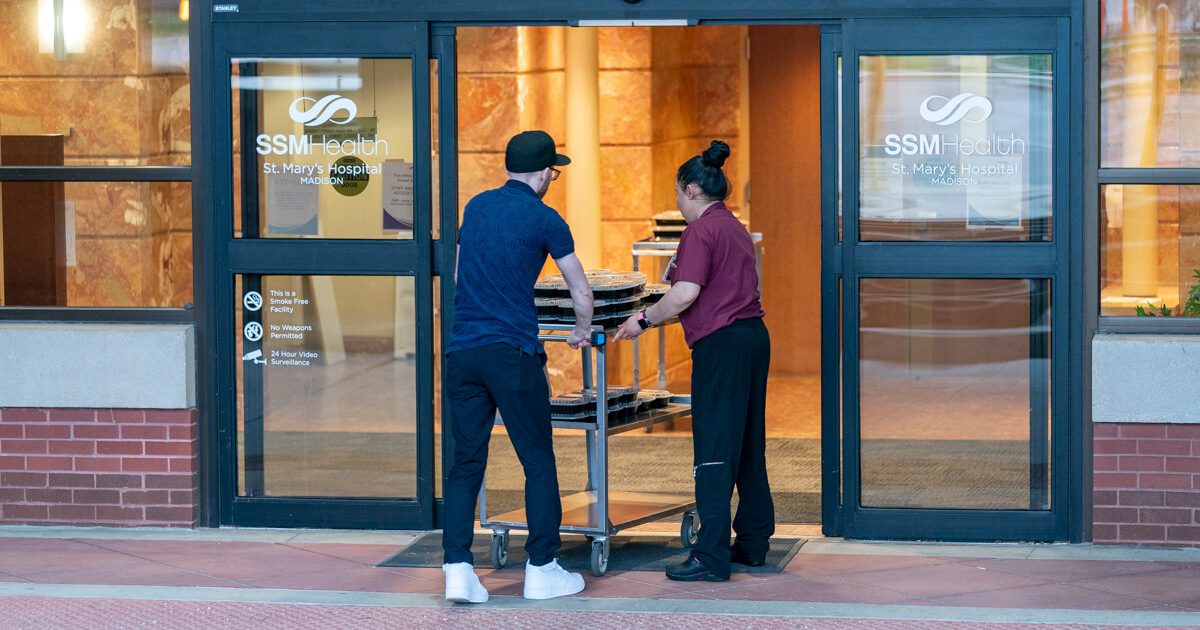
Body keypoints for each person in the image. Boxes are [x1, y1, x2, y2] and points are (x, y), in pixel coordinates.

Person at [442, 130, 594, 603]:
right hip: (513, 353)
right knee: (537, 459)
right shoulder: (547, 218)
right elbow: (581, 290)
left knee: (465, 462)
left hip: (463, 352)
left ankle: (458, 570)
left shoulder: (476, 208)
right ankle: (543, 567)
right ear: (548, 172)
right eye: (554, 172)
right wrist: (581, 331)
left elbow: (458, 274)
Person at [614, 140, 774, 582]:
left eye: (677, 194)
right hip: (752, 338)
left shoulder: (700, 231)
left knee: (715, 448)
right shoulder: (733, 226)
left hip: (721, 345)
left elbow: (686, 294)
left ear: (689, 190)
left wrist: (642, 320)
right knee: (747, 443)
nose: (677, 204)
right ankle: (754, 543)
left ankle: (710, 556)